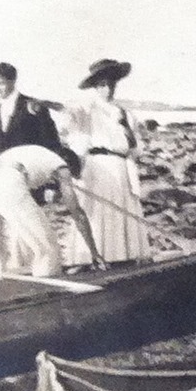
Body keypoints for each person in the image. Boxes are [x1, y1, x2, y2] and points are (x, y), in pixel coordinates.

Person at [0, 144, 105, 280]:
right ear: (69, 165)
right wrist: (94, 252)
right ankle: (49, 295)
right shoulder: (61, 166)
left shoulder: (35, 153)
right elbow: (77, 213)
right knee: (48, 249)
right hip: (7, 183)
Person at [64, 59, 151, 266]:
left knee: (123, 208)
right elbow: (70, 119)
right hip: (98, 167)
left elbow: (136, 148)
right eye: (102, 84)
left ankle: (124, 258)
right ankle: (95, 257)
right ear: (95, 87)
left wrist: (129, 135)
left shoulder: (125, 114)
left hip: (122, 167)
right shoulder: (88, 109)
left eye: (111, 84)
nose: (108, 89)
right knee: (100, 211)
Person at [0, 62, 62, 168]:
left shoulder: (33, 106)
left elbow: (51, 141)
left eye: (1, 84)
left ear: (13, 81)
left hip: (28, 172)